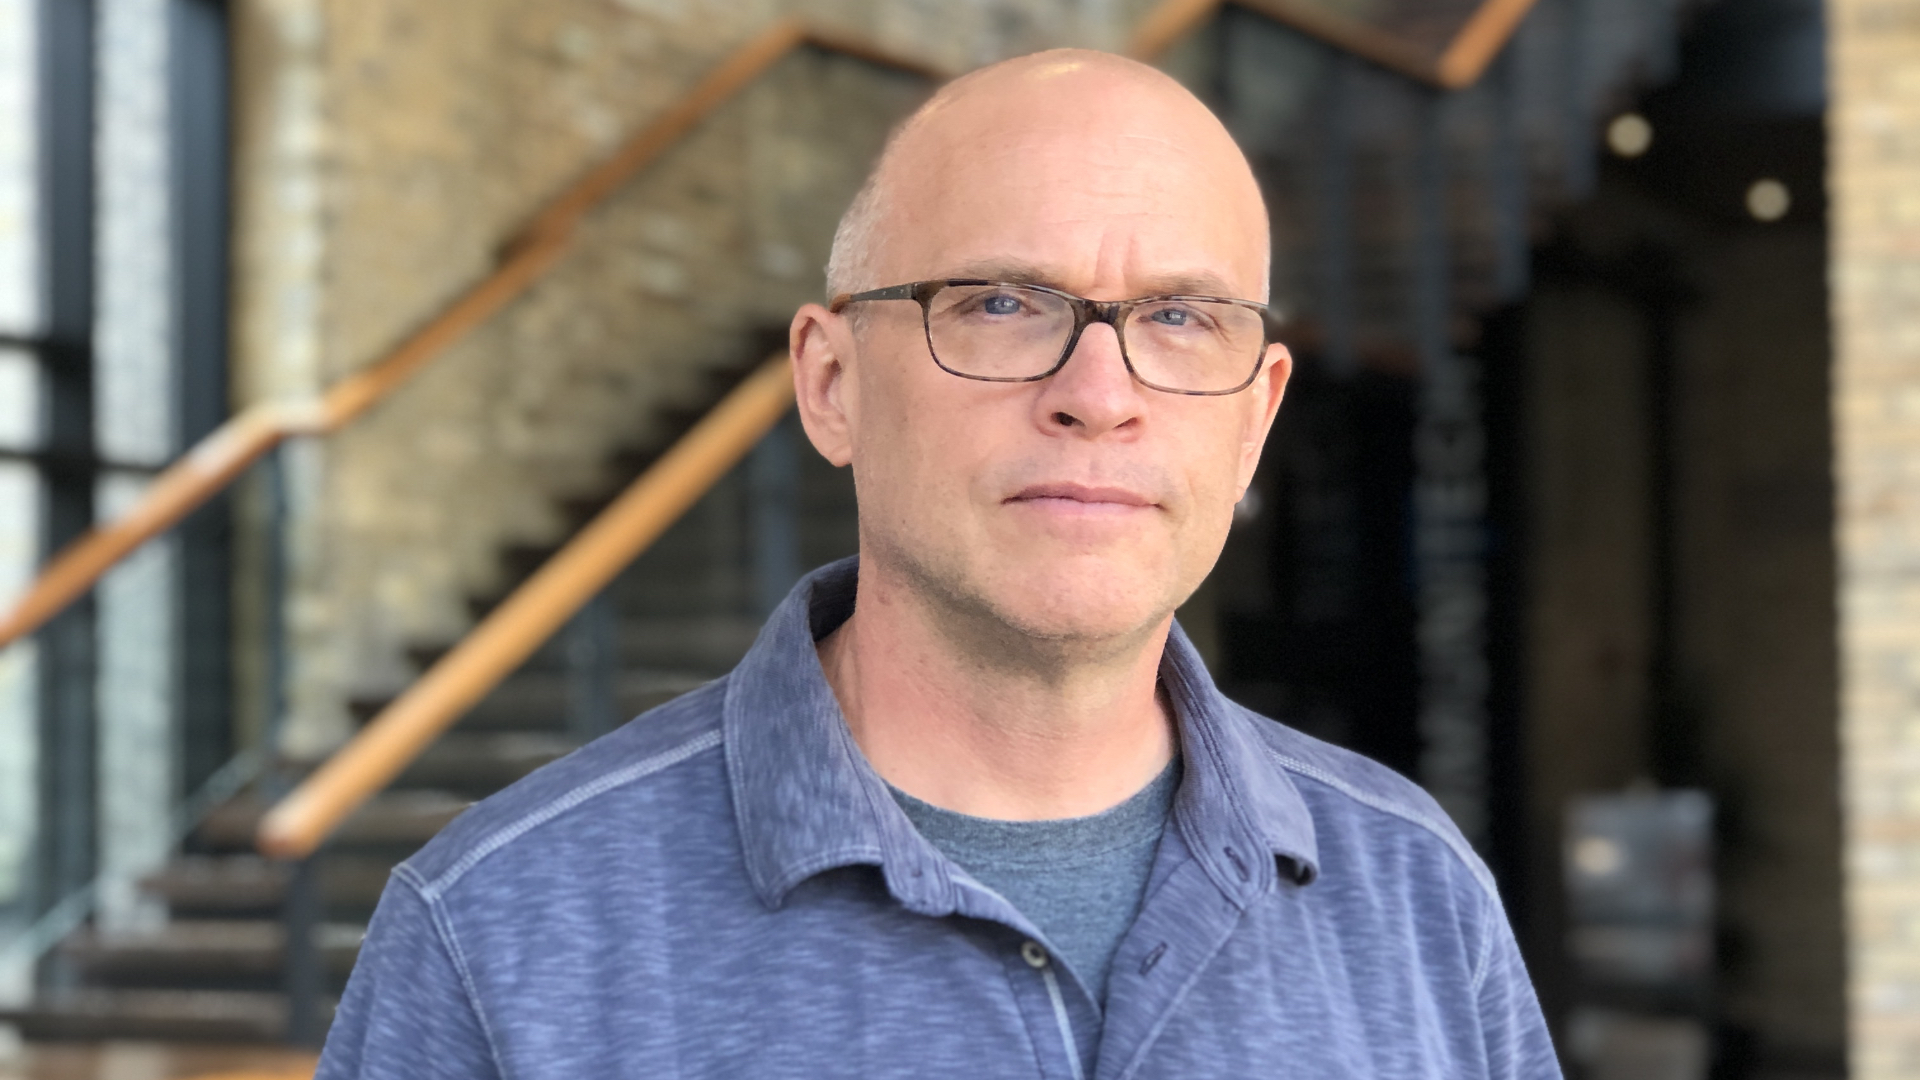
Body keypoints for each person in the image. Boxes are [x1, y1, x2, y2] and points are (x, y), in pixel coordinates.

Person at [317, 48, 1559, 1079]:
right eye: (1005, 303)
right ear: (831, 382)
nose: (1099, 395)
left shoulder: (1417, 894)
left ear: (1255, 419)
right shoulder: (504, 930)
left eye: (1180, 319)